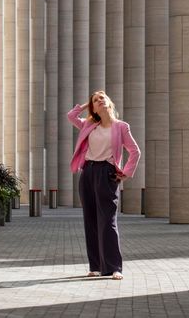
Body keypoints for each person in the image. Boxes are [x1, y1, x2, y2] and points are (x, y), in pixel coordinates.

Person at [67, 90, 141, 280]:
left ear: (110, 102)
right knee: (90, 220)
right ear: (94, 108)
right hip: (88, 173)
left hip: (107, 173)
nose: (100, 101)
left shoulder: (121, 127)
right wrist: (87, 105)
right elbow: (71, 116)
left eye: (102, 98)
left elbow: (135, 152)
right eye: (96, 100)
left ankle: (114, 267)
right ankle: (96, 266)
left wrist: (125, 173)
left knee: (107, 220)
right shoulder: (89, 125)